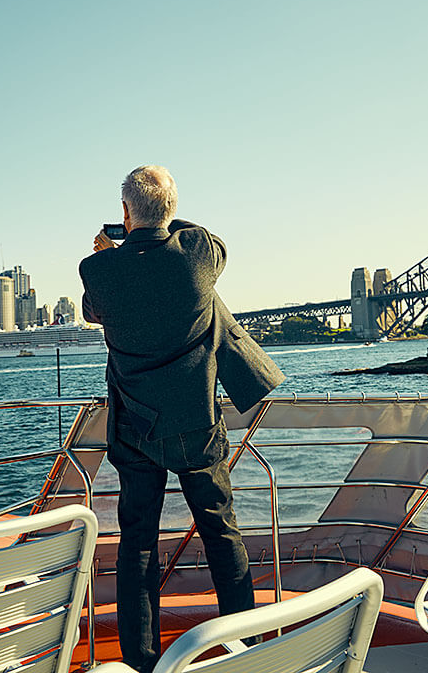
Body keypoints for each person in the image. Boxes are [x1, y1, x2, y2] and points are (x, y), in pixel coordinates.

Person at [79, 164, 285, 673]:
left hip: (135, 426)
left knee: (138, 544)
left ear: (126, 211)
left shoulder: (98, 269)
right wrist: (153, 222)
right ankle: (242, 647)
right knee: (221, 532)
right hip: (196, 421)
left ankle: (140, 660)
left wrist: (120, 245)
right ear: (171, 212)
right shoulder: (199, 255)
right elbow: (193, 233)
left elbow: (93, 311)